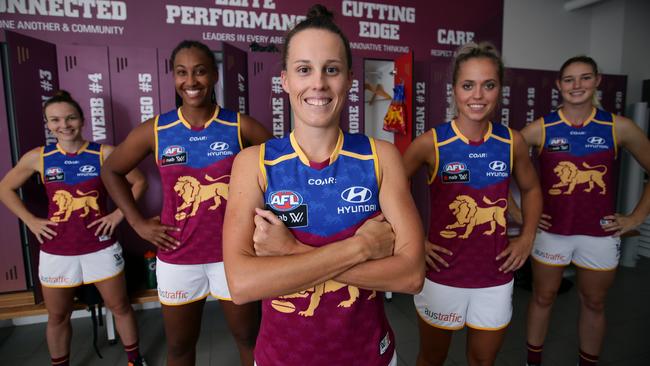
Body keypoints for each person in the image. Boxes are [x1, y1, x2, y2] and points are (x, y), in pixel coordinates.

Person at [222, 4, 424, 366]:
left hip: (369, 355)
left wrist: (290, 252)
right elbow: (241, 285)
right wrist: (361, 248)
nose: (318, 83)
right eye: (304, 70)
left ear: (348, 79)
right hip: (282, 358)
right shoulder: (254, 163)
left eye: (331, 70)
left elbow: (411, 276)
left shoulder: (381, 157)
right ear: (285, 80)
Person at [100, 40, 271, 366]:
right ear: (173, 77)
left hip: (234, 254)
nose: (191, 82)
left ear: (214, 76)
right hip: (178, 255)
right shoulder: (158, 129)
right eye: (182, 73)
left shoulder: (239, 126)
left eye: (200, 71)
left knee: (249, 338)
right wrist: (136, 222)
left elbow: (285, 168)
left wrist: (266, 223)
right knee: (179, 347)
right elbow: (111, 170)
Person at [403, 42, 542, 366]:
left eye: (488, 85)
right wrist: (411, 242)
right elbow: (388, 190)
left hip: (495, 275)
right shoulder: (431, 143)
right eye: (468, 85)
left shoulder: (512, 141)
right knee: (431, 358)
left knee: (482, 361)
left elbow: (532, 189)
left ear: (499, 90)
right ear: (454, 89)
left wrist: (527, 237)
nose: (478, 95)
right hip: (441, 274)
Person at [0, 91, 147, 366]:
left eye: (70, 118)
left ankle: (134, 360)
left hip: (100, 246)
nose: (64, 125)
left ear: (82, 119)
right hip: (57, 249)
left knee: (120, 306)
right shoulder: (38, 157)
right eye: (55, 120)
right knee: (57, 316)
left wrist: (118, 215)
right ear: (47, 124)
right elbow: (4, 188)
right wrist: (31, 221)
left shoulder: (104, 153)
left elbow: (139, 182)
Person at [522, 56, 650, 366]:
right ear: (558, 85)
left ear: (597, 81)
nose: (576, 85)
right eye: (569, 79)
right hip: (552, 234)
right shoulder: (542, 128)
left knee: (594, 302)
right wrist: (521, 214)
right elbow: (497, 171)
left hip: (600, 234)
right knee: (543, 298)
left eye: (584, 78)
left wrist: (636, 217)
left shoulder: (619, 127)